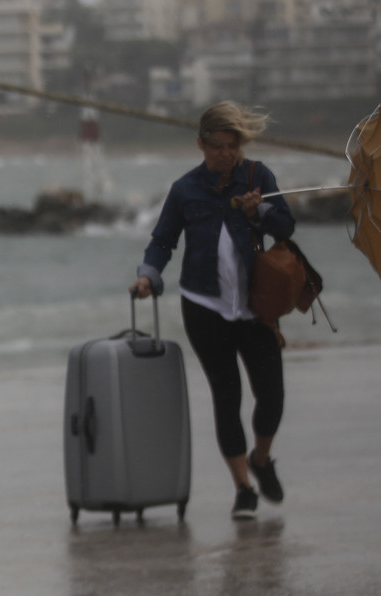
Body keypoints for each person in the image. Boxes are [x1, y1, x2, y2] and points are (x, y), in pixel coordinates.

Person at [129, 101, 295, 521]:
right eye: (217, 146)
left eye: (232, 146)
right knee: (227, 395)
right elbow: (163, 240)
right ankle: (242, 488)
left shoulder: (258, 177)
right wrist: (149, 276)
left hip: (256, 307)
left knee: (271, 395)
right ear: (200, 144)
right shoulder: (185, 189)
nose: (225, 155)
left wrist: (261, 209)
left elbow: (286, 227)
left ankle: (261, 459)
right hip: (204, 306)